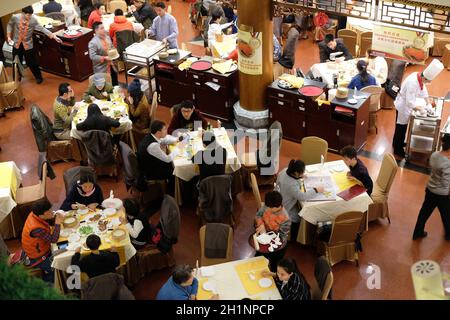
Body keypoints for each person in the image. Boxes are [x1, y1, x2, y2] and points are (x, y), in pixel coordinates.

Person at [392, 60, 443, 157]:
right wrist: (421, 109)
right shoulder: (412, 83)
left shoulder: (419, 76)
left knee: (402, 128)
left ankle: (397, 143)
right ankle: (398, 150)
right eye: (427, 81)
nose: (427, 83)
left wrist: (428, 103)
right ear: (424, 78)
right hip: (403, 106)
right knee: (401, 128)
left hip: (406, 105)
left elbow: (424, 90)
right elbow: (409, 102)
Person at [7, 6, 63, 84]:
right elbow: (9, 25)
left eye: (30, 15)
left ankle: (38, 77)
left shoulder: (33, 20)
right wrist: (9, 36)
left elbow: (42, 29)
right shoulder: (15, 17)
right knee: (16, 62)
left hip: (28, 45)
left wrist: (54, 36)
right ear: (23, 13)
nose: (29, 17)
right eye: (28, 15)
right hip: (17, 44)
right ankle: (17, 78)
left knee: (32, 62)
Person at [413, 134, 450, 240]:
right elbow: (446, 181)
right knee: (446, 214)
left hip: (430, 189)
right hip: (442, 194)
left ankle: (417, 232)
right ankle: (449, 234)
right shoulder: (447, 162)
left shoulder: (434, 155)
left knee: (424, 212)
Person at [276, 160, 325, 240]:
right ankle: (294, 237)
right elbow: (302, 196)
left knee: (300, 207)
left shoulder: (285, 171)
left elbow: (293, 181)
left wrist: (300, 176)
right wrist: (316, 190)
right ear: (296, 173)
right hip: (284, 208)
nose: (303, 173)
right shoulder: (291, 185)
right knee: (298, 218)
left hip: (279, 199)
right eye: (302, 172)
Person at [21, 199, 64, 283]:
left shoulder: (34, 214)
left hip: (41, 247)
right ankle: (47, 283)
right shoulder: (36, 229)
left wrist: (54, 216)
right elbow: (53, 239)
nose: (51, 212)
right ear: (41, 215)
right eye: (48, 211)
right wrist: (58, 223)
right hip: (37, 256)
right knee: (57, 269)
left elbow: (46, 225)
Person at [255, 191, 291, 272]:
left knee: (274, 266)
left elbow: (282, 237)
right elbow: (258, 215)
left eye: (270, 208)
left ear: (276, 206)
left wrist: (269, 238)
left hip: (276, 245)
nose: (267, 209)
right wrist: (261, 225)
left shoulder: (285, 218)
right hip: (263, 238)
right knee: (257, 260)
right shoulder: (267, 206)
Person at [88, 21, 118, 87]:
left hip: (111, 65)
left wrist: (114, 51)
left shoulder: (107, 37)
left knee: (115, 83)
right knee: (106, 87)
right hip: (101, 68)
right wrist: (104, 58)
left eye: (103, 27)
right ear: (96, 30)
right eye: (101, 28)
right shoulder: (93, 42)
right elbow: (92, 56)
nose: (104, 29)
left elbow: (111, 46)